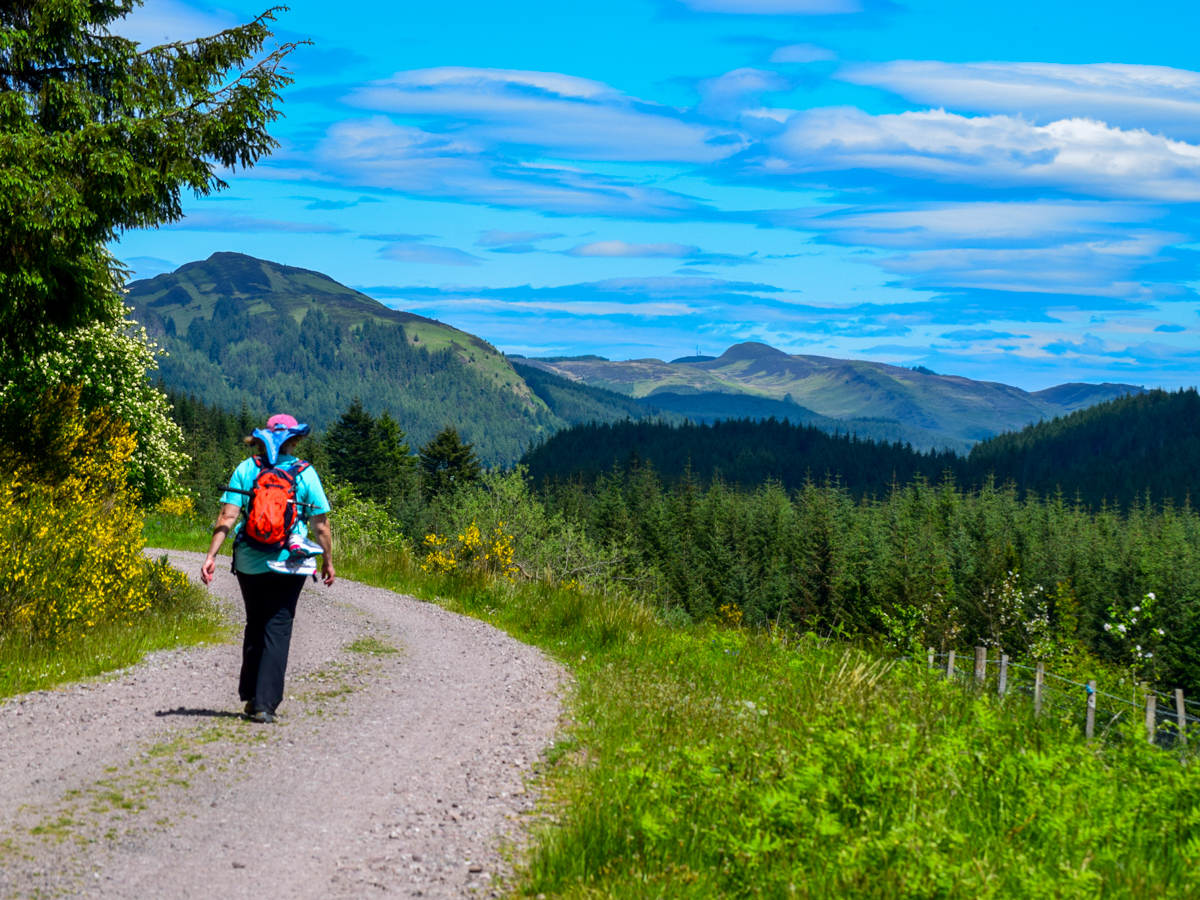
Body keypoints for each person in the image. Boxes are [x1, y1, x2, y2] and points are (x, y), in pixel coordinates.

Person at [200, 413, 335, 723]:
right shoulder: (304, 472)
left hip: (250, 559)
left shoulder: (248, 469)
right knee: (278, 625)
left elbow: (227, 516)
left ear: (263, 438)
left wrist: (211, 556)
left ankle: (250, 695)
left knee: (256, 622)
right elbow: (321, 526)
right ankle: (264, 704)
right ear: (294, 440)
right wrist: (327, 561)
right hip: (291, 561)